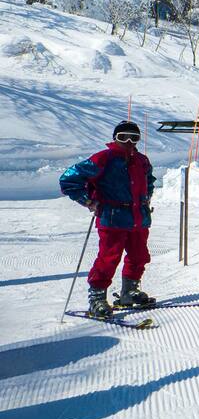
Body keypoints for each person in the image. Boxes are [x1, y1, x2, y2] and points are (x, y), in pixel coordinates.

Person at [59, 121, 157, 318]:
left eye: (134, 137)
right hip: (112, 218)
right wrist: (87, 201)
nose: (129, 142)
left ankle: (129, 292)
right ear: (115, 138)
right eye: (123, 137)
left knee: (139, 256)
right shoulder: (103, 158)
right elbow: (69, 179)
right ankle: (97, 298)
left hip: (139, 218)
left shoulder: (142, 160)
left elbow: (149, 181)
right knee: (108, 258)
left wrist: (146, 198)